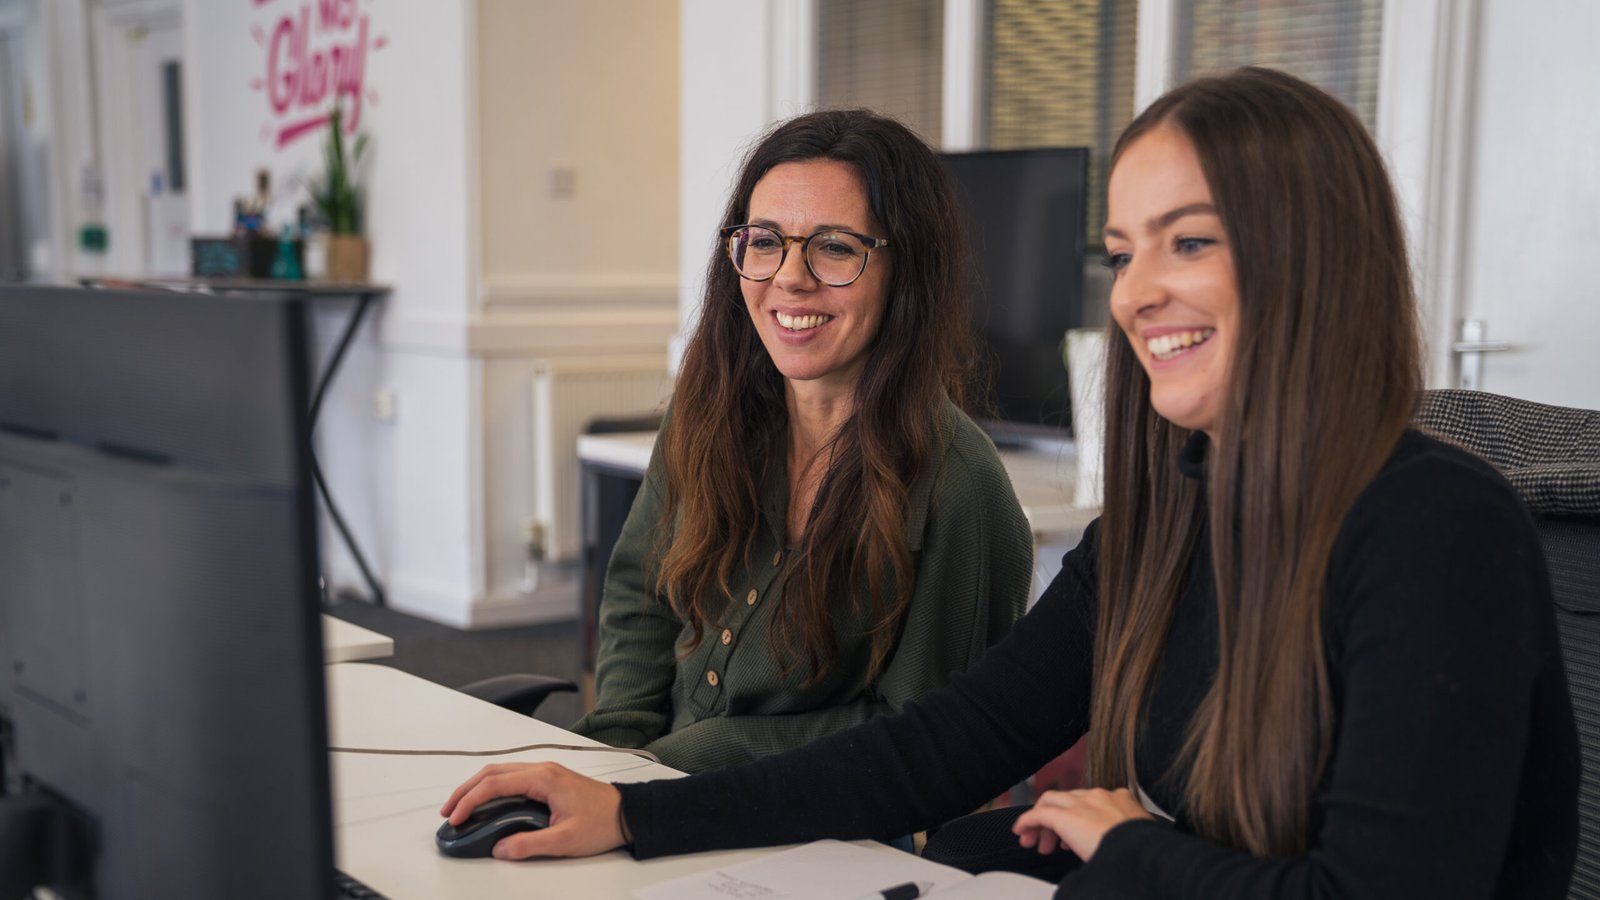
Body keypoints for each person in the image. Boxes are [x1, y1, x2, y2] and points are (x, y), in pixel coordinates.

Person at [441, 68, 1579, 897]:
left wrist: (1131, 842)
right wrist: (634, 814)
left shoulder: (1436, 531)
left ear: (1312, 255)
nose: (1137, 293)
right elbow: (944, 744)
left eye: (1188, 242)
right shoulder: (1169, 515)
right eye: (1123, 253)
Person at [564, 109, 1035, 774]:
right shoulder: (707, 413)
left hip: (815, 837)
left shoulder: (960, 488)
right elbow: (642, 601)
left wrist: (695, 761)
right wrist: (616, 763)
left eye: (835, 247)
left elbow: (924, 740)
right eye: (765, 242)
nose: (789, 277)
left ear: (909, 270)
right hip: (655, 795)